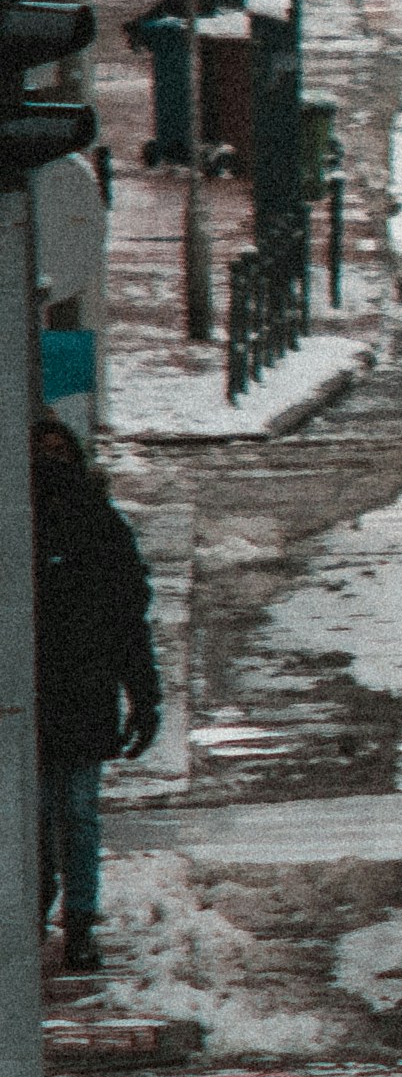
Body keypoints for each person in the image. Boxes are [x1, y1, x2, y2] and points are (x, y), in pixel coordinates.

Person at [33, 414, 157, 979]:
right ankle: (47, 914)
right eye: (41, 454)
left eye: (59, 454)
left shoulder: (98, 525)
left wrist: (144, 696)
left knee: (70, 814)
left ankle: (73, 921)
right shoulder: (27, 523)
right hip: (45, 698)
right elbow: (131, 618)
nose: (50, 465)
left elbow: (129, 618)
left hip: (75, 694)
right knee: (49, 816)